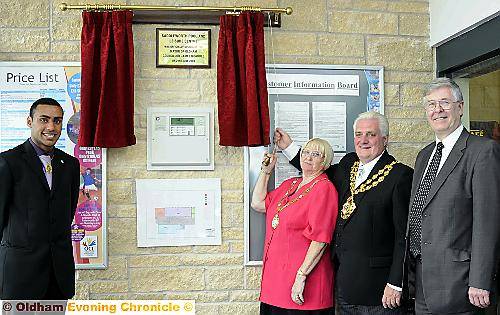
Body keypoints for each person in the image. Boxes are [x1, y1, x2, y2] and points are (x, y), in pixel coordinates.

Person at [276, 111, 413, 314]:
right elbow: (315, 170)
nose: (363, 140)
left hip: (379, 293)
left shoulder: (400, 175)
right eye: (358, 134)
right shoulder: (349, 164)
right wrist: (289, 148)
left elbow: (405, 236)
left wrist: (396, 283)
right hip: (343, 286)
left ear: (385, 139)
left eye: (371, 135)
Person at [407, 78, 500, 314]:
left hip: (461, 285)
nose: (437, 110)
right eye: (431, 105)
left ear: (460, 107)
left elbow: (487, 222)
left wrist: (480, 280)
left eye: (445, 103)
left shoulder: (482, 151)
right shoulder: (424, 155)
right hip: (422, 282)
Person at [0, 97, 80, 299]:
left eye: (57, 120)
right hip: (19, 276)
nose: (51, 127)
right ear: (30, 121)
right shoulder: (8, 162)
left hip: (58, 276)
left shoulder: (70, 165)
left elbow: (67, 214)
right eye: (44, 120)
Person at [252, 138, 338, 314]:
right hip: (274, 284)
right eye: (306, 152)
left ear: (325, 162)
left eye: (316, 154)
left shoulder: (324, 188)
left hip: (304, 287)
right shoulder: (290, 184)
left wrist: (301, 276)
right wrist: (266, 172)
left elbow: (320, 239)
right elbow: (258, 203)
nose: (308, 157)